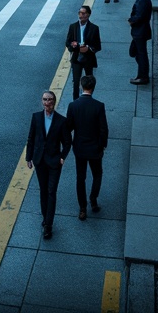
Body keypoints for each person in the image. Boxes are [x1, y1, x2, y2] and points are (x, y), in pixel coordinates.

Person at [25, 89, 71, 240]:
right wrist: (28, 157)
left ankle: (48, 226)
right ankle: (45, 218)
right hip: (39, 161)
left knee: (51, 192)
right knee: (43, 191)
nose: (47, 102)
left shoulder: (61, 121)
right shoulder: (36, 117)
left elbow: (67, 142)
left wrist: (63, 157)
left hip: (54, 162)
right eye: (45, 99)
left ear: (54, 101)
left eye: (50, 99)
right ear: (42, 101)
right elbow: (31, 138)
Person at [66, 75, 108, 219]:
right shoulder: (99, 106)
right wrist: (102, 146)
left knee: (80, 177)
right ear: (93, 88)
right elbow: (104, 129)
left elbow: (69, 127)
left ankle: (82, 208)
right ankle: (93, 199)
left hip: (80, 148)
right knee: (97, 174)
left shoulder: (73, 106)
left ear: (80, 86)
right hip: (95, 148)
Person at [65, 4, 101, 100]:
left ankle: (89, 99)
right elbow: (67, 42)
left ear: (88, 15)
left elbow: (98, 46)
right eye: (80, 13)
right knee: (76, 81)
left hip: (88, 58)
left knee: (89, 81)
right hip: (77, 57)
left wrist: (88, 48)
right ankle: (75, 101)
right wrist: (72, 46)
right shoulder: (73, 27)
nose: (81, 15)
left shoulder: (94, 28)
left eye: (83, 13)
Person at [127, 0, 153, 84]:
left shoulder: (142, 1)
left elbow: (140, 15)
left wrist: (131, 20)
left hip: (140, 32)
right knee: (138, 53)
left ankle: (143, 77)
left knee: (140, 54)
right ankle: (141, 75)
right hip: (140, 31)